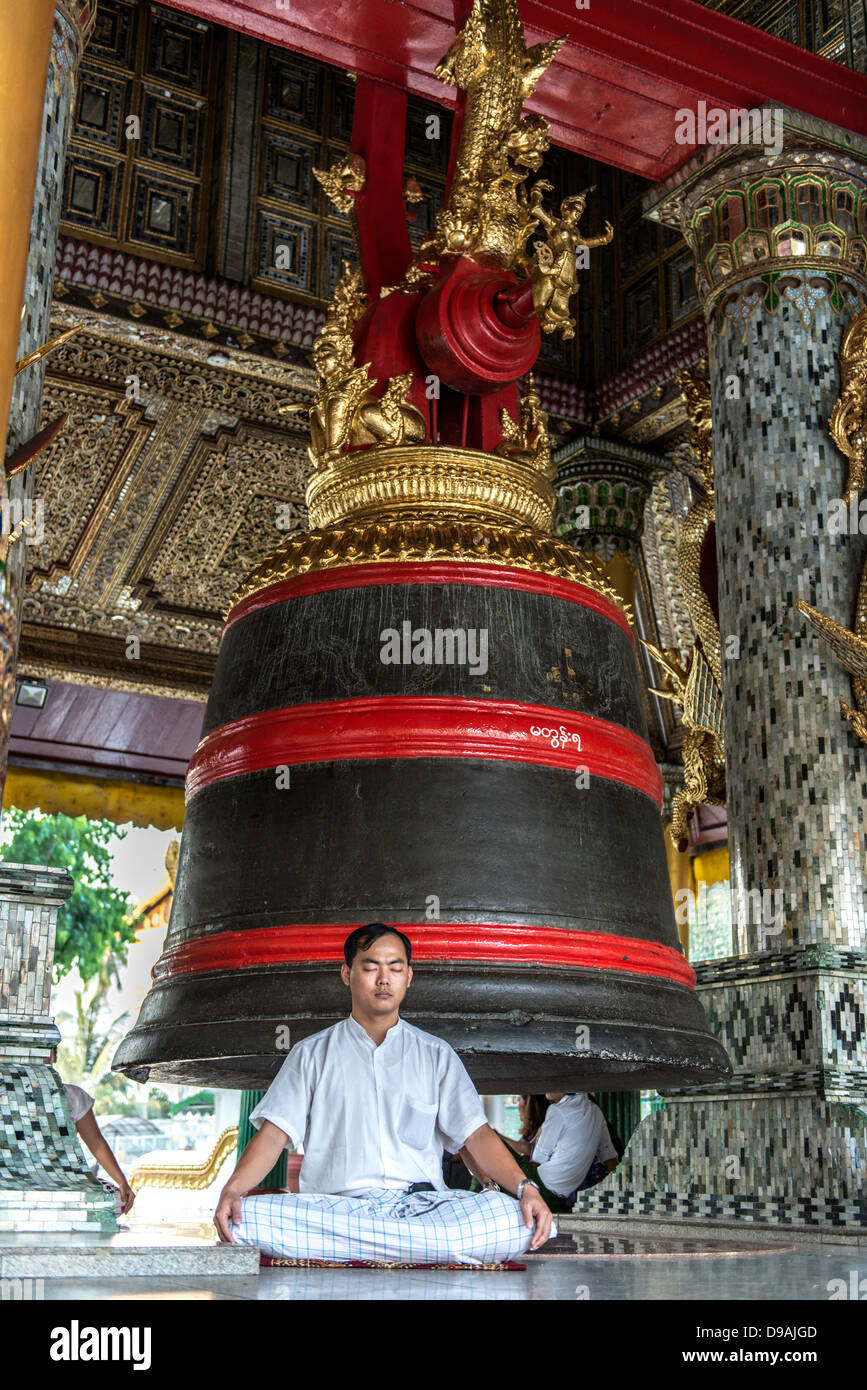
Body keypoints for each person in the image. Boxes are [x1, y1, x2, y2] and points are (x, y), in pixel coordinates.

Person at [213, 924, 556, 1265]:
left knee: (511, 1219)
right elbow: (274, 1134)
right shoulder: (311, 1054)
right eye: (370, 967)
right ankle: (419, 1248)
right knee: (244, 1218)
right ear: (347, 974)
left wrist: (527, 1189)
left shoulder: (435, 1055)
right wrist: (232, 1191)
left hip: (421, 1209)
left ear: (409, 976)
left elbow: (476, 1134)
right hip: (339, 1210)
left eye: (395, 968)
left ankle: (373, 1246)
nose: (383, 979)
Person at [48, 1047, 136, 1215]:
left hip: (68, 1179)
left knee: (117, 1200)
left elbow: (96, 1144)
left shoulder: (73, 1097)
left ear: (54, 1057)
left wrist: (122, 1182)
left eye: (45, 1051)